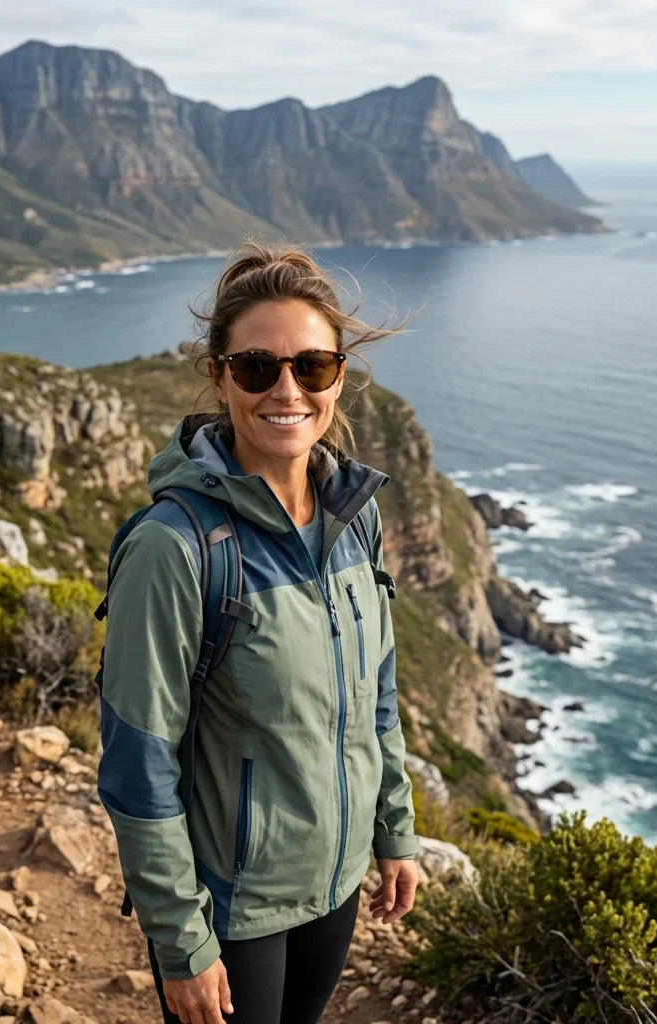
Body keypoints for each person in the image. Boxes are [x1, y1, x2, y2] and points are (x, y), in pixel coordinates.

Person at [96, 242, 419, 1024]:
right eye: (255, 368)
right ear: (218, 375)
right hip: (232, 908)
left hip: (335, 885)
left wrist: (395, 829)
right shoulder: (174, 548)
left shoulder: (355, 515)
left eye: (312, 367)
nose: (286, 390)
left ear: (339, 374)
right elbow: (138, 763)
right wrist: (182, 940)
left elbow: (377, 690)